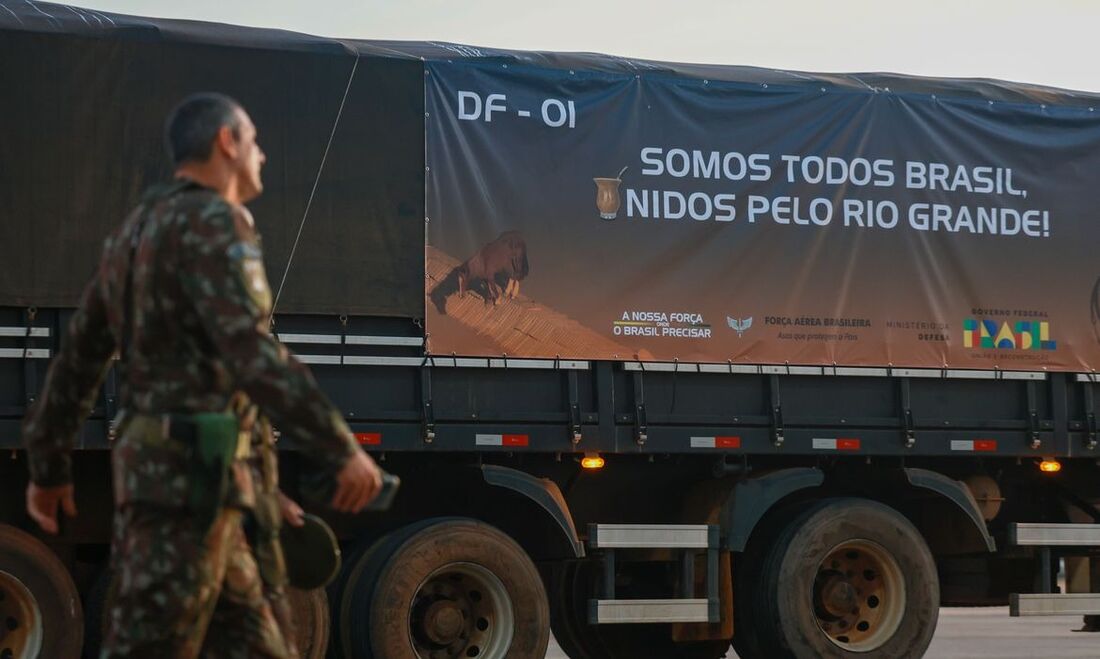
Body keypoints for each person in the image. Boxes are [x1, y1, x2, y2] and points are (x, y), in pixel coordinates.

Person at [21, 92, 382, 657]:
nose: (261, 155)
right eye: (255, 141)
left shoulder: (134, 234)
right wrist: (340, 448)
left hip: (203, 488)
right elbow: (251, 353)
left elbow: (79, 359)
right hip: (187, 495)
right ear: (227, 142)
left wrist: (48, 466)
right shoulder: (218, 222)